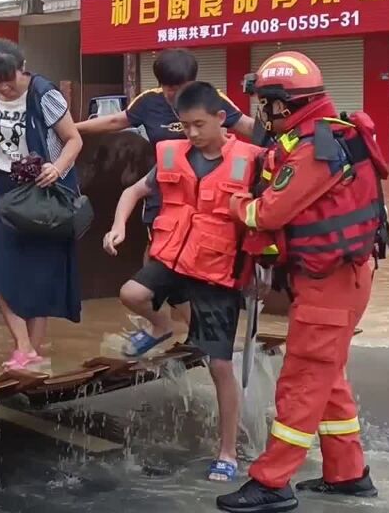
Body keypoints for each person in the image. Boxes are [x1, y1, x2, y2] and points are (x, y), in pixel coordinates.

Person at [216, 51, 389, 513]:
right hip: (339, 275)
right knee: (328, 377)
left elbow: (269, 211)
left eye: (267, 106)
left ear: (282, 105)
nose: (263, 116)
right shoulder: (325, 134)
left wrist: (234, 204)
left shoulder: (316, 148)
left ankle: (272, 482)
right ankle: (348, 474)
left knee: (301, 381)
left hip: (329, 282)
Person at [103, 82, 262, 483]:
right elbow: (132, 191)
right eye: (184, 126)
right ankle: (162, 326)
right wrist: (118, 226)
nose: (190, 134)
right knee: (131, 293)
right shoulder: (172, 156)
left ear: (221, 119)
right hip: (173, 258)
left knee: (220, 366)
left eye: (198, 125)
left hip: (217, 273)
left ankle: (226, 451)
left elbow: (276, 212)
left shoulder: (251, 161)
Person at [77, 49, 257, 324]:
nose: (174, 94)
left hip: (206, 198)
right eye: (168, 87)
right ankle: (168, 327)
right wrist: (69, 129)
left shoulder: (210, 101)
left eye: (180, 87)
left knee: (189, 265)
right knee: (158, 260)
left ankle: (194, 330)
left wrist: (293, 139)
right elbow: (116, 121)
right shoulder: (149, 102)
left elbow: (248, 127)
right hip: (164, 188)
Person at [0, 39, 83, 372]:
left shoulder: (44, 93)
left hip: (41, 192)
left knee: (39, 273)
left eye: (9, 80)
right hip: (3, 190)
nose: (3, 88)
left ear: (22, 69)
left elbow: (74, 139)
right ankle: (23, 346)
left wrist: (57, 168)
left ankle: (30, 352)